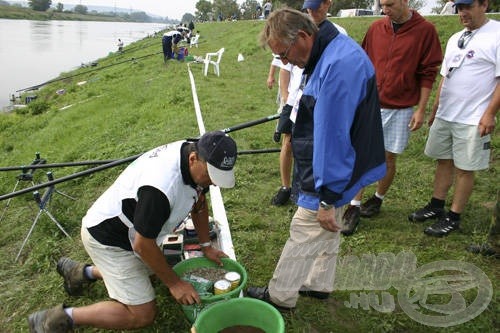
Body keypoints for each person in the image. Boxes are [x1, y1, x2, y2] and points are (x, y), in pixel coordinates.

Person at [28, 131, 238, 332]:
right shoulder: (161, 188)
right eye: (211, 175)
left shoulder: (196, 158)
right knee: (143, 314)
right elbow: (142, 245)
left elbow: (199, 201)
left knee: (154, 272)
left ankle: (81, 273)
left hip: (133, 231)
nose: (213, 182)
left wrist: (206, 246)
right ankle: (55, 319)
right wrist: (175, 284)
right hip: (108, 239)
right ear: (193, 159)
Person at [247, 8, 385, 310]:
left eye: (284, 54)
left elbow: (332, 139)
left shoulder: (336, 67)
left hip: (336, 165)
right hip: (349, 158)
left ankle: (280, 295)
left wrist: (326, 195)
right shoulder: (331, 47)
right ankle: (320, 282)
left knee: (307, 224)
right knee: (330, 223)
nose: (285, 63)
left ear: (304, 36)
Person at [341, 0, 443, 236]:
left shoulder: (425, 31)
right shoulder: (377, 28)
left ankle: (377, 198)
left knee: (388, 158)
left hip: (401, 107)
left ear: (405, 1)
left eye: (390, 5)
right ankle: (353, 206)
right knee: (361, 155)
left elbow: (428, 73)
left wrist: (421, 109)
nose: (385, 10)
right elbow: (362, 62)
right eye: (382, 5)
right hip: (370, 104)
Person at [409, 0, 499, 237]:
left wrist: (489, 114)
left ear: (484, 5)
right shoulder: (454, 38)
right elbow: (446, 76)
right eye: (459, 8)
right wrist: (436, 107)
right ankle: (437, 205)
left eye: (468, 7)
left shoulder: (497, 34)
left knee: (465, 168)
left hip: (474, 118)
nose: (463, 13)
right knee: (443, 160)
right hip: (447, 113)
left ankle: (454, 216)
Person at [270, 0, 348, 206]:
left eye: (315, 7)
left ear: (328, 4)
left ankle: (314, 195)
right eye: (308, 8)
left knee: (314, 147)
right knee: (289, 143)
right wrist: (286, 97)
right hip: (295, 101)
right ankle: (287, 187)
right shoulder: (293, 31)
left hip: (316, 106)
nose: (311, 11)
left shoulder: (337, 34)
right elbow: (284, 70)